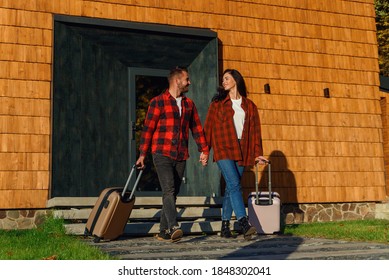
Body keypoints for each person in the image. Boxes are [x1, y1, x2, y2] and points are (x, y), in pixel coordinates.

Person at [136, 66, 209, 242]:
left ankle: (163, 231)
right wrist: (142, 154)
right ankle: (174, 226)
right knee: (168, 189)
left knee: (172, 193)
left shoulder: (189, 104)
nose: (189, 82)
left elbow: (197, 128)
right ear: (177, 81)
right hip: (161, 152)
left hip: (181, 154)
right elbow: (148, 129)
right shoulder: (158, 102)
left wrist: (204, 150)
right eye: (187, 79)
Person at [203, 69, 267, 240]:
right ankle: (243, 222)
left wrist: (257, 154)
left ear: (236, 80)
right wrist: (205, 150)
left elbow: (255, 132)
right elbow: (208, 127)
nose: (223, 82)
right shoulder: (217, 104)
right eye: (222, 79)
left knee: (233, 187)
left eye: (227, 78)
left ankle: (225, 226)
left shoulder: (249, 106)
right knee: (234, 184)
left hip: (242, 148)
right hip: (223, 147)